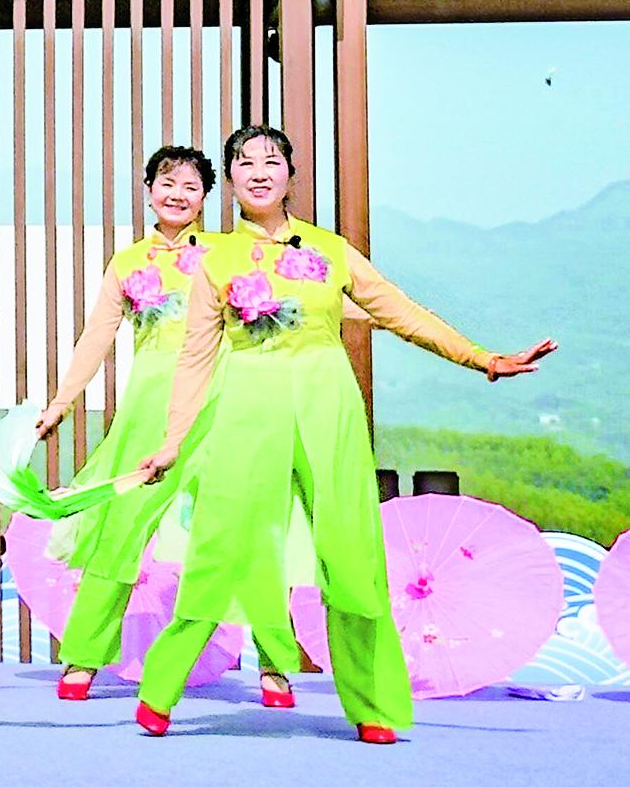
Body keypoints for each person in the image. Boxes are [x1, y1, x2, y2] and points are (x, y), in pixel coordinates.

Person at [133, 126, 556, 743]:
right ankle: (162, 688)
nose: (259, 172)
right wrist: (173, 441)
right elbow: (196, 358)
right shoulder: (215, 260)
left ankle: (371, 704)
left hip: (328, 406)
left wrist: (480, 358)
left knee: (351, 551)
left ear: (291, 175)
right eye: (244, 163)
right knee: (222, 546)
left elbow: (399, 311)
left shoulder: (330, 250)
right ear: (230, 181)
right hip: (246, 411)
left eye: (271, 161)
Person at [31, 145, 293, 702]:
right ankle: (83, 657)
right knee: (120, 530)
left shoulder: (226, 253)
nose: (178, 195)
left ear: (206, 197)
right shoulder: (128, 263)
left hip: (221, 401)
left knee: (242, 529)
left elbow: (277, 313)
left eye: (191, 186)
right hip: (149, 407)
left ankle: (274, 663)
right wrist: (61, 402)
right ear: (149, 190)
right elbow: (96, 337)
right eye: (167, 183)